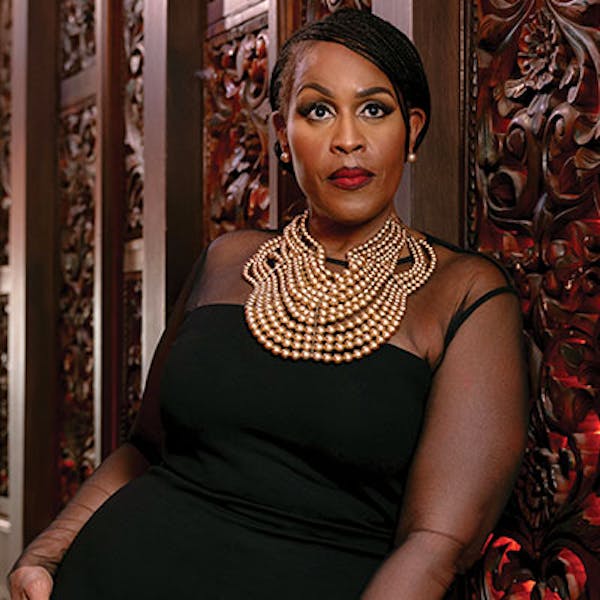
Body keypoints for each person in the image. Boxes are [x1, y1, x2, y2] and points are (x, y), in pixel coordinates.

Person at [8, 8, 528, 599]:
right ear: (283, 133)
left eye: (374, 110)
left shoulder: (464, 294)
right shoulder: (229, 260)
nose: (348, 140)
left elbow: (435, 545)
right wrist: (45, 555)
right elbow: (143, 450)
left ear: (411, 130)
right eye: (318, 111)